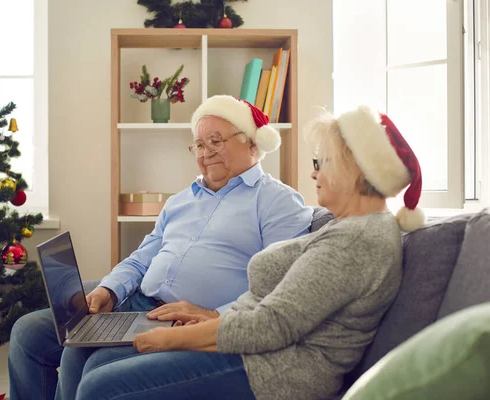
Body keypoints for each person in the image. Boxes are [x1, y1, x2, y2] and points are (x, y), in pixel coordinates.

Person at [67, 105, 426, 400]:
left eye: (322, 163)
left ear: (355, 170)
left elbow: (272, 325)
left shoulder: (357, 240)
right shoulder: (347, 228)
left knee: (100, 384)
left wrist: (167, 338)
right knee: (88, 360)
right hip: (249, 343)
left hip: (274, 368)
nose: (313, 174)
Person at [8, 95, 314, 400]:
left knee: (85, 359)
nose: (206, 153)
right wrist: (110, 290)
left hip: (186, 320)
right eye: (199, 145)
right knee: (28, 334)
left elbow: (278, 288)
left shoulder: (279, 202)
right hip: (137, 302)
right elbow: (141, 259)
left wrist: (213, 316)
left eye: (216, 141)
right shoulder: (180, 200)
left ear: (252, 143)